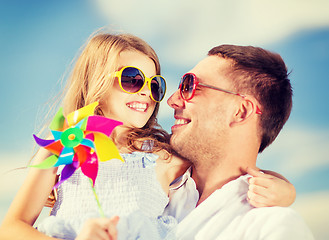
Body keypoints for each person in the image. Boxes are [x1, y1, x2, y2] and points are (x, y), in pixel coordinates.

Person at [0, 32, 296, 240]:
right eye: (132, 79)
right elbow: (11, 228)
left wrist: (285, 189)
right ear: (97, 82)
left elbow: (229, 166)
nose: (146, 92)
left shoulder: (162, 154)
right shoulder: (61, 147)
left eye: (154, 85)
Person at [164, 44, 314, 239]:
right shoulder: (148, 185)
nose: (172, 100)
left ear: (241, 111)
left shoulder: (272, 228)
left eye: (189, 85)